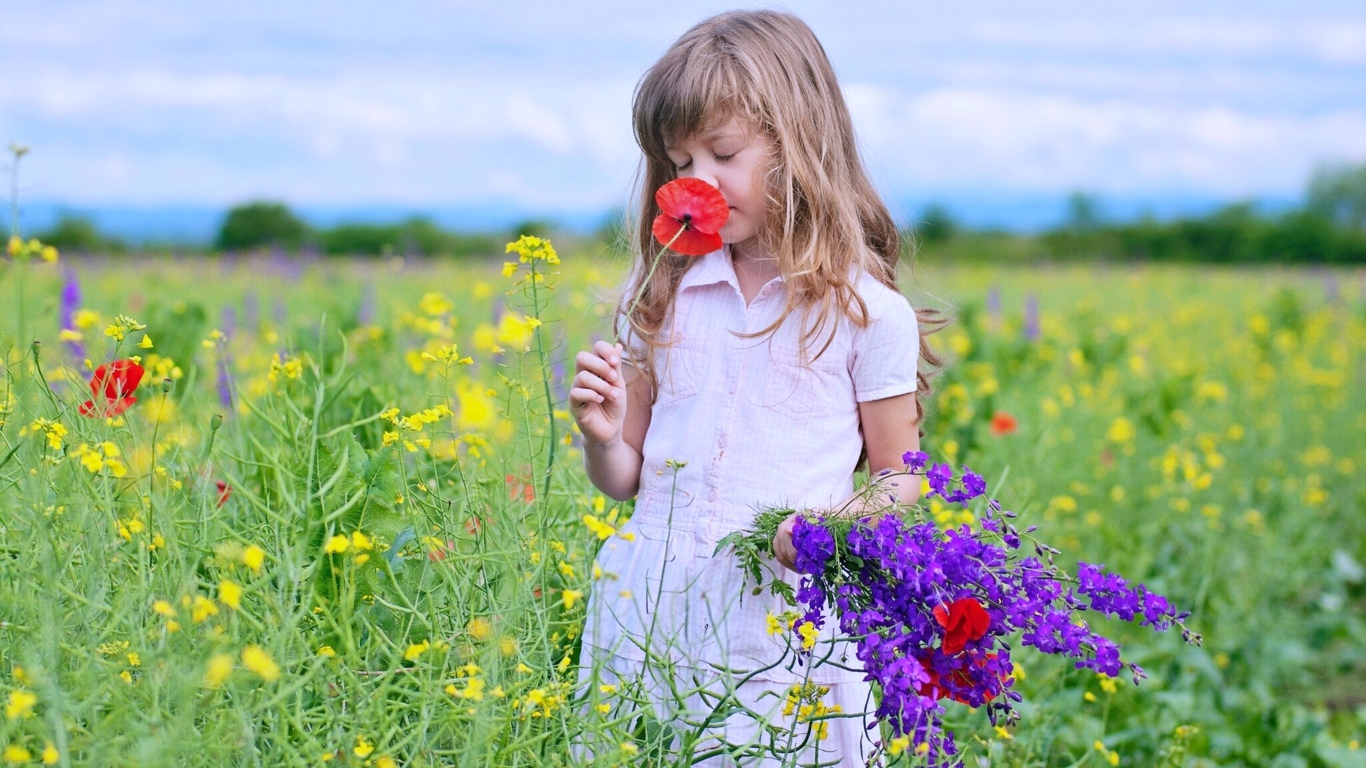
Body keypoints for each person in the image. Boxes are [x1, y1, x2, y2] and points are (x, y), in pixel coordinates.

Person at [568, 10, 943, 766]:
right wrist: (602, 436)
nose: (695, 181)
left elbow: (901, 476)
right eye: (679, 162)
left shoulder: (868, 314)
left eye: (725, 152)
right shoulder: (658, 296)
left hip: (781, 618)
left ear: (800, 145)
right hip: (653, 604)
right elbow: (624, 483)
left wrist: (826, 529)